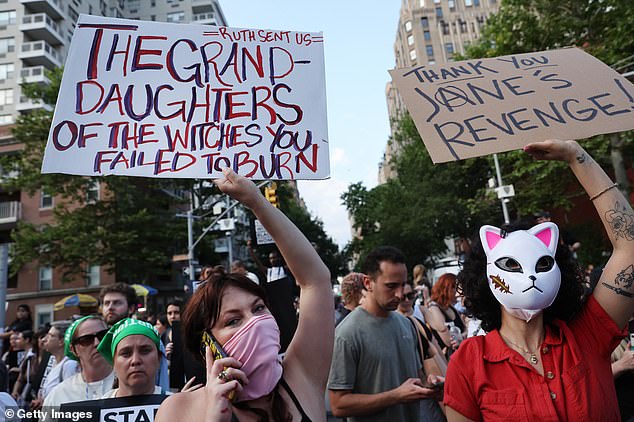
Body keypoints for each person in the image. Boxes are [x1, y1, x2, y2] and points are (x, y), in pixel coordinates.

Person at [444, 139, 634, 421]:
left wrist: (576, 156)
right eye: (511, 264)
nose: (529, 275)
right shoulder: (470, 363)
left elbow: (630, 245)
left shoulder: (588, 335)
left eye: (543, 263)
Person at [156, 167, 332, 421]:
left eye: (259, 308)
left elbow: (315, 279)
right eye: (233, 321)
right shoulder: (178, 410)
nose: (255, 322)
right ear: (209, 344)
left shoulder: (301, 376)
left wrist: (256, 201)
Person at [328, 246, 442, 422]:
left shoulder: (406, 324)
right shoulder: (347, 333)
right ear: (368, 283)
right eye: (391, 286)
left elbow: (415, 378)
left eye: (403, 285)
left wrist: (430, 385)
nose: (399, 293)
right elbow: (338, 404)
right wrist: (395, 396)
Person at [396, 281, 447, 421]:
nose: (407, 300)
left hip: (427, 375)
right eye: (403, 297)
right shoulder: (393, 321)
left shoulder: (419, 312)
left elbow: (440, 327)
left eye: (410, 295)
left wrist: (429, 301)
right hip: (409, 382)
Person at [42, 316, 114, 411]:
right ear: (74, 350)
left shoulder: (130, 384)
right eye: (86, 340)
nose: (97, 343)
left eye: (102, 336)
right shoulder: (59, 395)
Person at [97, 318, 168, 397]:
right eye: (126, 353)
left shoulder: (178, 407)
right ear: (114, 363)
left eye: (145, 351)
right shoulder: (99, 408)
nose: (135, 360)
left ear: (159, 358)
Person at [35, 322, 79, 404]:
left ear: (61, 341)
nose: (44, 339)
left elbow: (70, 399)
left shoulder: (69, 365)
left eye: (51, 336)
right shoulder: (53, 361)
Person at [425, 273, 465, 357]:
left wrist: (460, 337)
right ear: (446, 289)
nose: (458, 292)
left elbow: (466, 329)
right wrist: (463, 336)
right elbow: (448, 340)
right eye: (455, 288)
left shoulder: (451, 307)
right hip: (449, 357)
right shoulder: (434, 308)